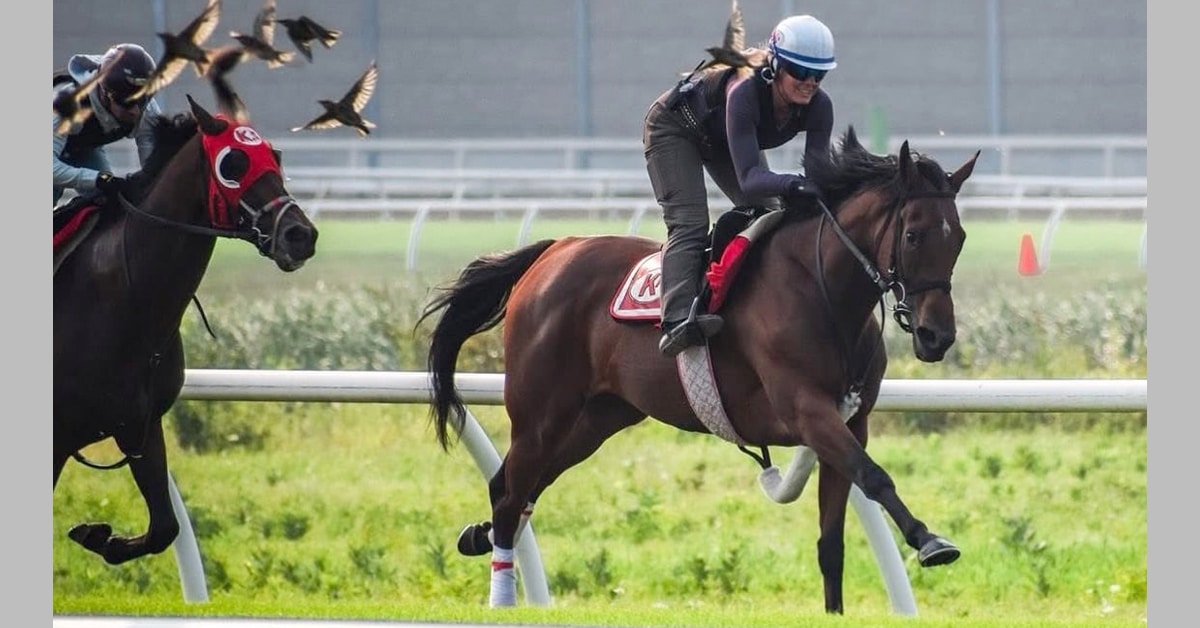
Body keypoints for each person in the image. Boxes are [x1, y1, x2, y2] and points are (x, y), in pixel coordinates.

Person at [643, 14, 837, 357]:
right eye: (801, 72)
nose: (810, 82)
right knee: (690, 223)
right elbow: (749, 181)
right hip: (675, 128)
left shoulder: (820, 107)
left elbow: (817, 176)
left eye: (819, 75)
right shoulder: (745, 91)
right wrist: (794, 183)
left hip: (719, 136)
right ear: (775, 65)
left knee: (771, 214)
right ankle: (675, 321)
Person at [53, 43, 163, 207]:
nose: (136, 111)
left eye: (143, 100)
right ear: (105, 93)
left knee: (111, 201)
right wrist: (98, 179)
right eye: (128, 103)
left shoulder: (148, 110)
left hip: (81, 148)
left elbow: (152, 172)